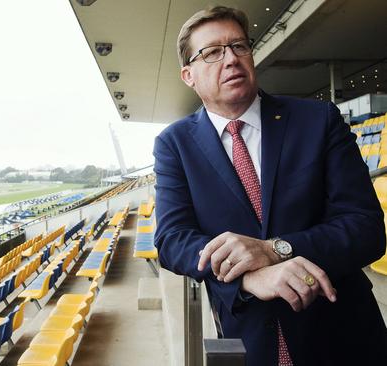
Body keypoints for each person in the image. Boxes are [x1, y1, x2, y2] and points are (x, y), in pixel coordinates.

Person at [153, 5, 387, 365]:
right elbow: (173, 239)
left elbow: (366, 228)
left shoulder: (318, 121)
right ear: (189, 75)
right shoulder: (174, 144)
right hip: (249, 338)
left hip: (342, 333)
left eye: (239, 47)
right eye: (212, 52)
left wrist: (275, 249)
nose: (230, 59)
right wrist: (248, 279)